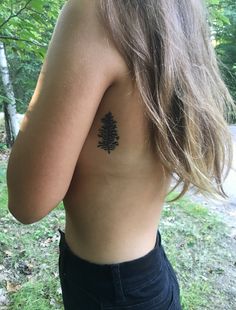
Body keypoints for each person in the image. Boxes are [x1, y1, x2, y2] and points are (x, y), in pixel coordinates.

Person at [6, 0, 235, 309]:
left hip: (112, 294)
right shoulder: (180, 12)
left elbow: (26, 202)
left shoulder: (95, 12)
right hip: (148, 276)